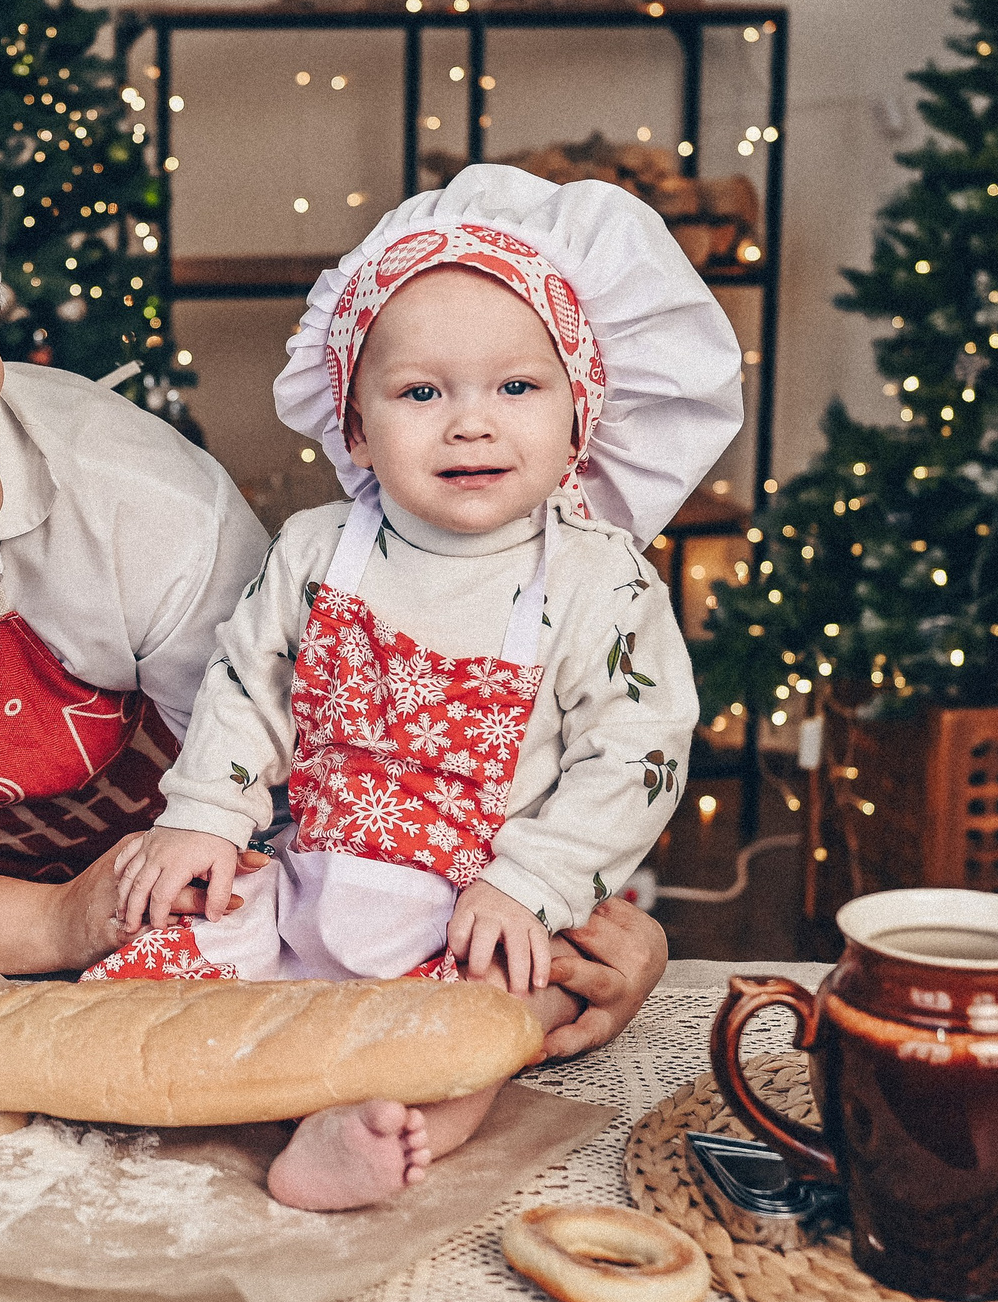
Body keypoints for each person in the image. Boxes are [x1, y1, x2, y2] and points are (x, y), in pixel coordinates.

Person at [0, 139, 666, 1051]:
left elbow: (338, 797)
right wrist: (50, 918)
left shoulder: (138, 501)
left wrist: (567, 906)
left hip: (216, 978)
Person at [94, 165, 743, 1210]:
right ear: (353, 427)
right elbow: (246, 678)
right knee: (183, 940)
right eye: (420, 392)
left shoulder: (598, 577)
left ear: (582, 417)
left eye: (517, 387)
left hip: (481, 910)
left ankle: (357, 1135)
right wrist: (207, 815)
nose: (470, 423)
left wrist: (531, 882)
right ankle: (197, 1082)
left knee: (487, 1024)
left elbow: (641, 749)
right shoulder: (318, 549)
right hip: (311, 876)